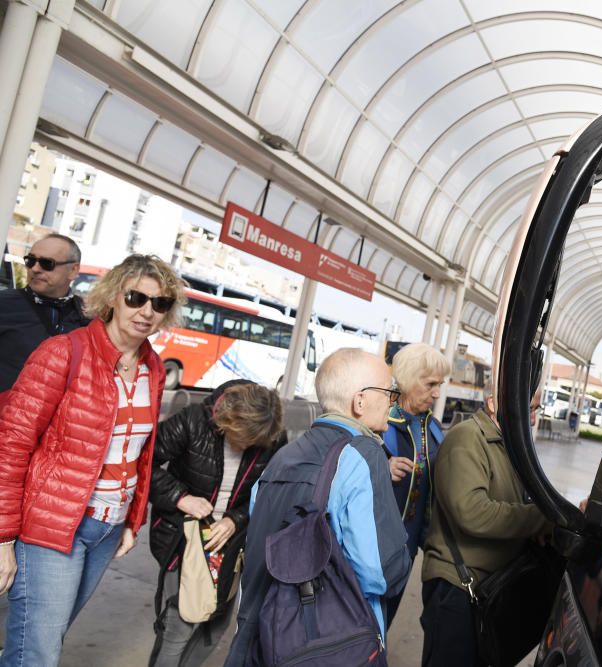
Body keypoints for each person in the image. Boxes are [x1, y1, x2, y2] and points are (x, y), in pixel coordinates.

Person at [0, 253, 185, 667]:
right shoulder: (64, 352)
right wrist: (3, 538)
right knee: (37, 653)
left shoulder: (152, 368)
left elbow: (140, 453)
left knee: (40, 639)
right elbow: (11, 444)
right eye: (136, 297)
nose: (146, 311)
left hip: (107, 527)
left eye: (160, 304)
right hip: (53, 523)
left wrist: (131, 520)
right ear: (113, 297)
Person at [225, 348, 410, 666]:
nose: (393, 401)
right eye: (389, 392)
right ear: (360, 401)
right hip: (322, 644)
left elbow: (257, 544)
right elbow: (380, 571)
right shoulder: (363, 454)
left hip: (258, 636)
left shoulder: (283, 455)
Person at [148, 380, 286, 666]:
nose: (245, 446)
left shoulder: (272, 436)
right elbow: (144, 462)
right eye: (241, 438)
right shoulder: (192, 421)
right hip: (184, 536)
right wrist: (180, 497)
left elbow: (272, 490)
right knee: (180, 622)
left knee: (217, 623)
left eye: (253, 443)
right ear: (226, 420)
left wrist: (236, 520)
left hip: (232, 540)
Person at [420, 383, 550, 667]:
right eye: (528, 409)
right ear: (494, 402)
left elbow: (513, 499)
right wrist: (541, 519)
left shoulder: (506, 444)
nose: (532, 418)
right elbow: (473, 512)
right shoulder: (466, 440)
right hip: (457, 589)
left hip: (488, 587)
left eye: (535, 410)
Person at [382, 342, 450, 625]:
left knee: (385, 621)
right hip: (376, 542)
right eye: (431, 384)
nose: (436, 393)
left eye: (440, 385)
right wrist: (380, 467)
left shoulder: (432, 427)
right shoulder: (380, 420)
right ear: (409, 379)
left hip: (409, 545)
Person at [0, 233, 87, 394]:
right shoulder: (4, 303)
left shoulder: (85, 317)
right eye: (30, 261)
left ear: (73, 270)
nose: (35, 269)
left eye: (47, 263)